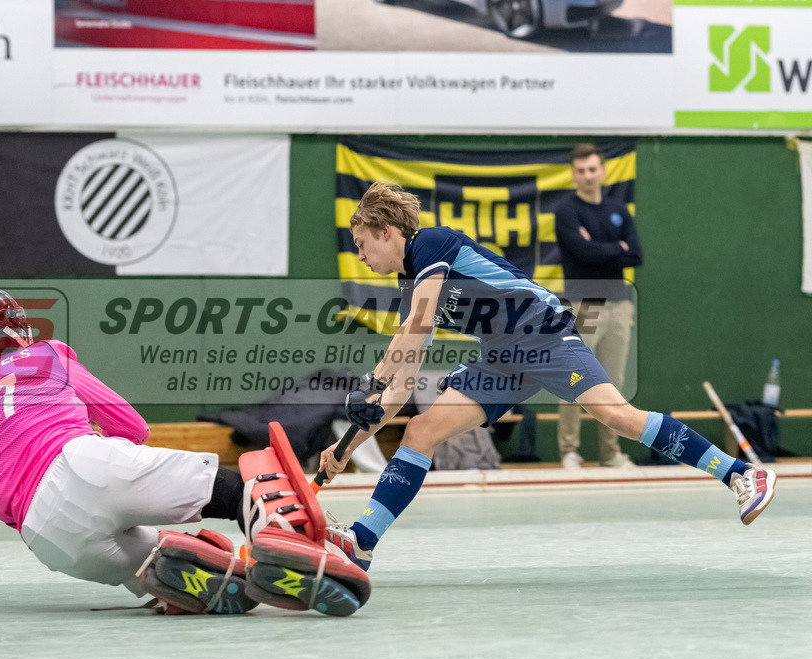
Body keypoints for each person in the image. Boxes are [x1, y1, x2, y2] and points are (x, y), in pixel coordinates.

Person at [319, 181, 777, 571]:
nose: (360, 255)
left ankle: (741, 474)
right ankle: (362, 542)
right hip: (500, 357)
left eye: (362, 244)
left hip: (544, 335)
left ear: (386, 231)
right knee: (419, 430)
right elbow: (402, 385)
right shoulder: (414, 284)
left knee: (617, 417)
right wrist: (348, 448)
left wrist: (371, 384)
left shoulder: (431, 244)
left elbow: (413, 333)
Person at [0, 288, 367, 616]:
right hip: (86, 465)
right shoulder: (46, 355)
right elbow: (133, 426)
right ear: (21, 330)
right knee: (233, 490)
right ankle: (291, 542)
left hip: (49, 537)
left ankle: (196, 578)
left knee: (163, 561)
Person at [554, 143, 642, 469]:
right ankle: (569, 452)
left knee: (614, 382)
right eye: (581, 170)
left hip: (620, 306)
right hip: (582, 305)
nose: (588, 176)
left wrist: (597, 246)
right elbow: (582, 252)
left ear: (603, 171)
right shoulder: (567, 212)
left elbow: (636, 255)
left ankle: (611, 453)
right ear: (574, 174)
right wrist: (614, 247)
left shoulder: (618, 209)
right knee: (575, 379)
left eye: (593, 169)